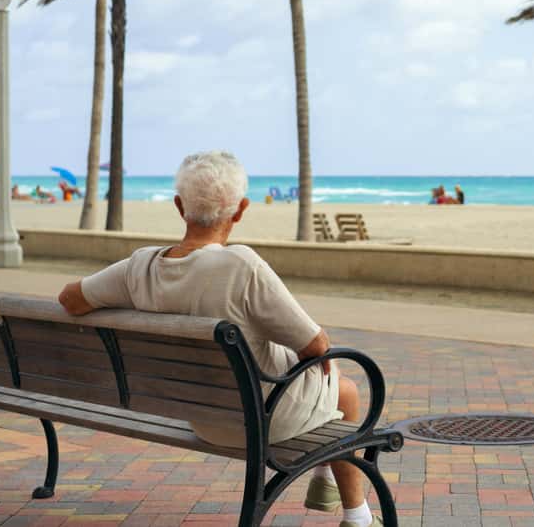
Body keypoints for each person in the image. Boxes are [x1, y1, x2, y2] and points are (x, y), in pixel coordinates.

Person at [56, 151, 381, 527]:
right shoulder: (241, 266)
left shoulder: (139, 267)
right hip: (259, 420)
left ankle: (327, 483)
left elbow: (69, 299)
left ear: (179, 206)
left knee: (335, 387)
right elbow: (316, 345)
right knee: (347, 389)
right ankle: (357, 516)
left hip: (202, 417)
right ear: (240, 210)